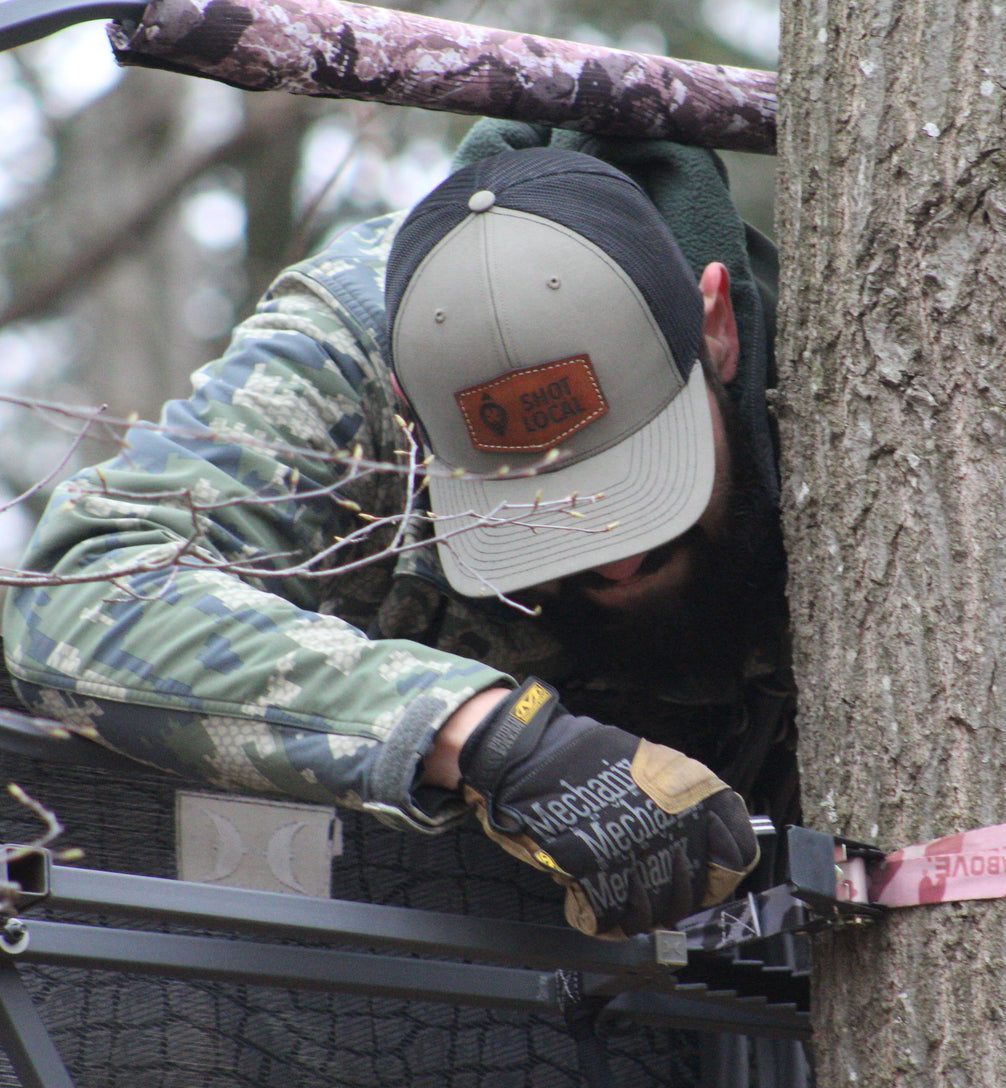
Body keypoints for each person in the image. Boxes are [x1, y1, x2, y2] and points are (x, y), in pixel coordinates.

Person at [1, 123, 797, 1085]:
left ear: (715, 328)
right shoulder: (350, 345)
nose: (615, 565)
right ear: (410, 416)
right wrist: (481, 736)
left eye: (639, 490)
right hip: (358, 973)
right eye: (541, 519)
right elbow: (86, 596)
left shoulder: (857, 376)